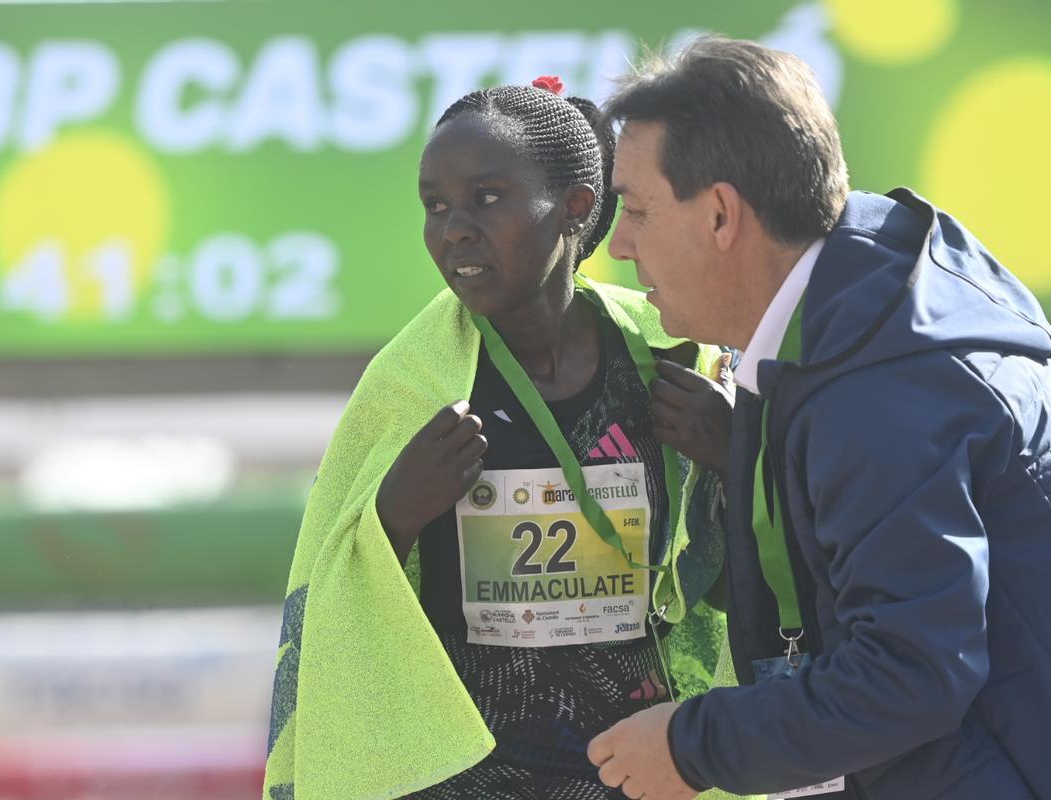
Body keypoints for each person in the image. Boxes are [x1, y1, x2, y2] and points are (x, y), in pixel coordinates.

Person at [587, 36, 1051, 800]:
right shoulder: (857, 324)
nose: (621, 244)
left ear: (721, 215)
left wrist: (690, 747)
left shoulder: (883, 388)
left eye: (635, 210)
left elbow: (911, 676)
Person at [264, 76, 733, 800]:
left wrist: (734, 456)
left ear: (576, 206)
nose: (454, 229)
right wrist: (391, 516)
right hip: (463, 775)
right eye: (436, 206)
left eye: (486, 199)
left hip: (640, 768)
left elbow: (749, 573)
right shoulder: (409, 383)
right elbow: (336, 592)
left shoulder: (670, 355)